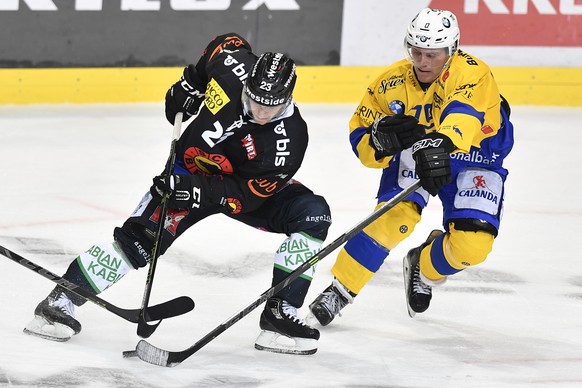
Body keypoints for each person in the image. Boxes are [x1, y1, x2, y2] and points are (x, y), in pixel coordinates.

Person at [24, 33, 331, 355]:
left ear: (288, 97)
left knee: (312, 214)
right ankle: (59, 302)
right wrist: (192, 83)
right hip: (186, 171)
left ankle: (280, 313)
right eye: (255, 101)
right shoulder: (233, 67)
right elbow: (227, 42)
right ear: (247, 84)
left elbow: (248, 197)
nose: (262, 112)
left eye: (272, 106)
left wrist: (195, 191)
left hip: (240, 188)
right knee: (140, 241)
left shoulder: (289, 141)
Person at [308, 8, 514, 324]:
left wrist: (441, 145)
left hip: (475, 154)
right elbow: (361, 133)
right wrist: (378, 140)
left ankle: (424, 267)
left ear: (452, 49)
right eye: (416, 52)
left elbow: (462, 115)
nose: (423, 62)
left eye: (432, 54)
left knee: (473, 245)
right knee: (393, 217)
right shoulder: (389, 83)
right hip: (420, 148)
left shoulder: (473, 73)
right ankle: (340, 290)